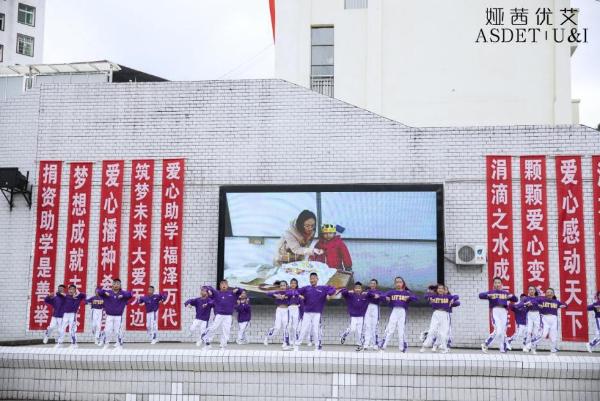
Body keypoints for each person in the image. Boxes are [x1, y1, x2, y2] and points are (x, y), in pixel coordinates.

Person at [295, 272, 336, 351]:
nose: (312, 280)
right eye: (311, 278)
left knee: (315, 329)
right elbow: (296, 291)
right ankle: (297, 345)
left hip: (317, 313)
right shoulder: (306, 288)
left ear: (317, 279)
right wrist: (299, 295)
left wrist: (328, 294)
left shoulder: (323, 288)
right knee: (303, 329)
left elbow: (333, 289)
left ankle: (317, 347)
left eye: (314, 278)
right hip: (307, 312)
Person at [378, 277, 418, 353]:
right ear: (395, 284)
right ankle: (383, 347)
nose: (398, 283)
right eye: (396, 282)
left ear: (403, 283)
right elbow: (382, 296)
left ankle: (402, 348)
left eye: (400, 282)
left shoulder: (406, 292)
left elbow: (415, 298)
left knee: (401, 330)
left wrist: (409, 297)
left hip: (402, 312)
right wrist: (386, 297)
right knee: (390, 329)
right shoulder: (391, 292)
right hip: (394, 311)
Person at [479, 277, 517, 353]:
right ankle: (485, 344)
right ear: (493, 284)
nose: (497, 284)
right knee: (498, 331)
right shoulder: (491, 292)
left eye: (498, 282)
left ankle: (503, 349)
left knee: (503, 331)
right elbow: (480, 295)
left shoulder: (505, 293)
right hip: (495, 310)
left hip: (503, 312)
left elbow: (515, 299)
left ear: (501, 284)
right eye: (495, 282)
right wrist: (487, 296)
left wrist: (511, 296)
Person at [203, 280, 244, 349]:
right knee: (214, 327)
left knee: (226, 330)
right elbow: (207, 287)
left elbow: (242, 290)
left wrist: (237, 289)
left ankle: (223, 345)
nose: (224, 285)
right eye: (222, 284)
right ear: (220, 286)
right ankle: (207, 341)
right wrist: (208, 290)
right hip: (219, 315)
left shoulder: (232, 293)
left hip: (228, 316)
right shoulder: (217, 293)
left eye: (225, 284)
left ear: (228, 285)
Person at [420, 284, 458, 353]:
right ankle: (424, 346)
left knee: (443, 333)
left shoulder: (448, 296)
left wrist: (452, 299)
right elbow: (425, 296)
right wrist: (430, 298)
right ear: (437, 290)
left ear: (444, 290)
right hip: (436, 314)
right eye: (439, 288)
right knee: (432, 330)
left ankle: (445, 348)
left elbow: (456, 296)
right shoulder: (434, 296)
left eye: (442, 288)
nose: (440, 290)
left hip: (444, 314)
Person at [97, 279, 133, 349]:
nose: (116, 285)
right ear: (112, 285)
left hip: (118, 316)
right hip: (109, 316)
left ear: (120, 286)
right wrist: (104, 292)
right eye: (114, 284)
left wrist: (122, 295)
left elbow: (131, 294)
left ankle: (119, 344)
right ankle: (106, 344)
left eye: (118, 284)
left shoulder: (122, 293)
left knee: (118, 331)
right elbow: (98, 291)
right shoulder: (108, 292)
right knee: (107, 330)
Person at [528, 288, 567, 354]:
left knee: (553, 336)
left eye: (551, 292)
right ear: (545, 294)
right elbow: (534, 301)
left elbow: (565, 305)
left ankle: (553, 350)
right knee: (543, 334)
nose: (549, 293)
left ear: (553, 294)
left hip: (554, 319)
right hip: (544, 318)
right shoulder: (542, 300)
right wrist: (536, 304)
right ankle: (533, 344)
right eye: (548, 292)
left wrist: (563, 306)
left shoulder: (556, 301)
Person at [338, 282, 369, 348]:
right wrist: (349, 291)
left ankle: (359, 344)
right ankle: (344, 335)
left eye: (359, 288)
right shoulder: (350, 295)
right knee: (352, 329)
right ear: (354, 289)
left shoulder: (364, 296)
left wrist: (367, 293)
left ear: (361, 289)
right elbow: (343, 292)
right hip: (353, 316)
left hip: (361, 316)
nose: (358, 289)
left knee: (359, 331)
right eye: (356, 288)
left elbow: (374, 295)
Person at [264, 281, 291, 349]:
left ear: (286, 286)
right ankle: (267, 337)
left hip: (286, 310)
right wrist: (275, 295)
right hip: (279, 310)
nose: (282, 287)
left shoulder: (288, 292)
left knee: (286, 327)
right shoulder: (277, 292)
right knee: (277, 327)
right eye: (281, 285)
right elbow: (267, 293)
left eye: (284, 285)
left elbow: (292, 293)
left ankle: (285, 342)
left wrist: (285, 296)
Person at [520, 286, 542, 352]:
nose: (531, 291)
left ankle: (533, 348)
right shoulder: (526, 298)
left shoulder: (539, 298)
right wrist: (526, 304)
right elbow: (520, 305)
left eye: (532, 289)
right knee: (529, 331)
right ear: (528, 291)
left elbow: (542, 306)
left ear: (535, 291)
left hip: (537, 315)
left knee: (535, 332)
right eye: (530, 289)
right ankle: (526, 346)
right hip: (529, 314)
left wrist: (541, 306)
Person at [363, 279, 383, 350]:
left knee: (374, 327)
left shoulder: (379, 292)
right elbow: (366, 294)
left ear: (376, 285)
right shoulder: (367, 291)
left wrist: (378, 296)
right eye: (371, 283)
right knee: (367, 326)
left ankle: (374, 344)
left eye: (374, 283)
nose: (372, 284)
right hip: (368, 308)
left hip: (375, 308)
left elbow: (382, 297)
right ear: (370, 284)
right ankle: (366, 344)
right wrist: (374, 295)